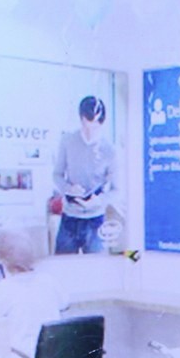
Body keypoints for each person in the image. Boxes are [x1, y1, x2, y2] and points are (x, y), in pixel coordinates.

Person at [53, 95, 115, 255]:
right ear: (81, 119)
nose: (90, 132)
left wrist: (99, 201)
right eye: (87, 125)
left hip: (96, 221)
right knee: (62, 266)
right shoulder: (67, 141)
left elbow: (117, 189)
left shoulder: (110, 149)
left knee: (97, 268)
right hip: (69, 218)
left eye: (95, 127)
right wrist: (68, 189)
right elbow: (57, 175)